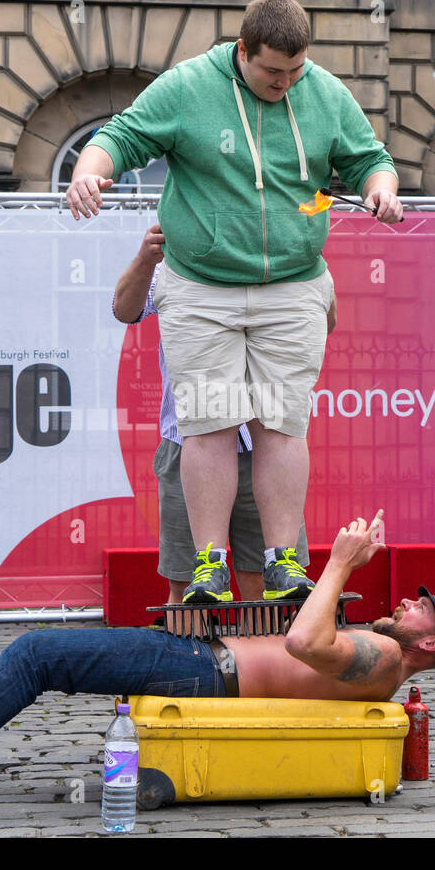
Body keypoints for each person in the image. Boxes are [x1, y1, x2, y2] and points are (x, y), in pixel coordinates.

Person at [66, 0, 402, 605]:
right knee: (209, 424)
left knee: (281, 423)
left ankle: (284, 566)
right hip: (201, 285)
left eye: (296, 72)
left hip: (294, 284)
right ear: (242, 51)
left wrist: (381, 189)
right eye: (274, 72)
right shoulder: (189, 86)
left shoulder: (321, 91)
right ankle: (209, 569)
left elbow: (371, 160)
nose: (285, 84)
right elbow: (121, 135)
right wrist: (90, 169)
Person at [0, 511, 435, 809]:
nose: (408, 605)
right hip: (203, 663)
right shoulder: (385, 656)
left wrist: (341, 562)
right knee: (34, 655)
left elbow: (302, 642)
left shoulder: (386, 659)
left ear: (430, 644)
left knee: (35, 654)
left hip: (205, 675)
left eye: (420, 608)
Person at [112, 223, 335, 614]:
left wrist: (305, 258)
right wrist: (148, 257)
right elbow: (123, 309)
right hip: (187, 444)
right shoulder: (178, 261)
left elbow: (322, 320)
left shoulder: (277, 256)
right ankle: (192, 671)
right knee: (188, 587)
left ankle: (261, 672)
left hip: (260, 447)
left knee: (265, 580)